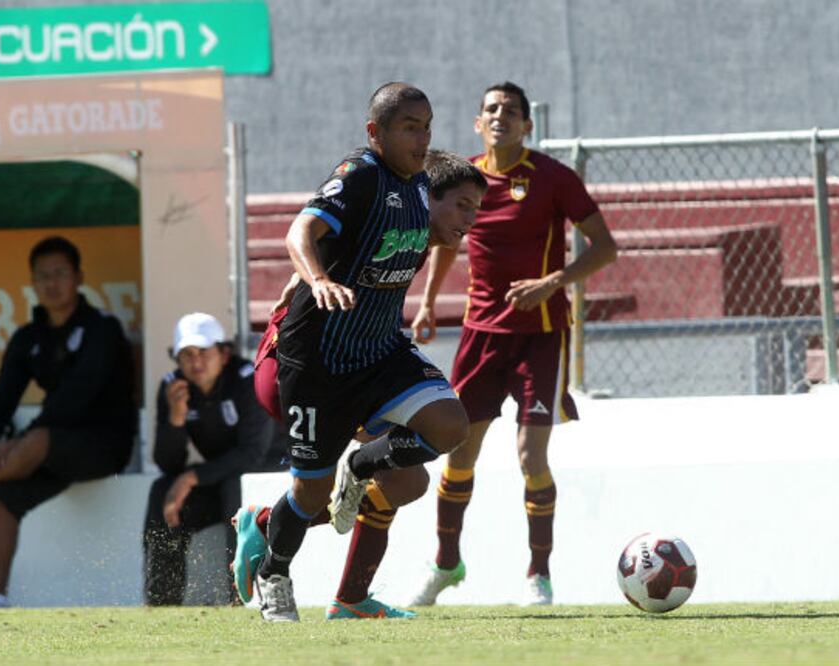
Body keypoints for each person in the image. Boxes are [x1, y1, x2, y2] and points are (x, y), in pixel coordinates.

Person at [252, 82, 475, 622]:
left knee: (450, 426)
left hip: (378, 352)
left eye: (427, 126)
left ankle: (364, 464)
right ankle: (273, 573)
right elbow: (301, 230)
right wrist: (315, 278)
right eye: (408, 127)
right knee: (309, 496)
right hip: (320, 358)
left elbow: (411, 241)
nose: (421, 138)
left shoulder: (421, 187)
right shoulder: (360, 176)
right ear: (375, 133)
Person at [409, 81, 618, 607]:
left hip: (541, 335)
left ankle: (538, 575)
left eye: (511, 110)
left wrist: (553, 282)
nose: (500, 115)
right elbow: (447, 241)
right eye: (491, 109)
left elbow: (605, 247)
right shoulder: (466, 178)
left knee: (531, 457)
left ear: (527, 124)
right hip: (481, 335)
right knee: (458, 454)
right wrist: (430, 303)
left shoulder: (551, 177)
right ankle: (446, 563)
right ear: (478, 123)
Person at [0, 236, 136, 608]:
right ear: (32, 283)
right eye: (42, 276)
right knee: (4, 499)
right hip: (50, 450)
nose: (52, 284)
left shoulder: (102, 328)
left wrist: (22, 441)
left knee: (38, 439)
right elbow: (2, 400)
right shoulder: (28, 338)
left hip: (104, 447)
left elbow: (78, 395)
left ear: (78, 277)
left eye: (60, 273)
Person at [142, 312, 286, 605]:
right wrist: (176, 420)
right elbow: (168, 464)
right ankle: (162, 603)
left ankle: (241, 599)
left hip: (271, 473)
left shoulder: (249, 379)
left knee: (235, 487)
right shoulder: (173, 387)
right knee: (161, 491)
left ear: (224, 353)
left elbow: (252, 454)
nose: (195, 362)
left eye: (204, 352)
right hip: (221, 477)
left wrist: (191, 477)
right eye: (186, 354)